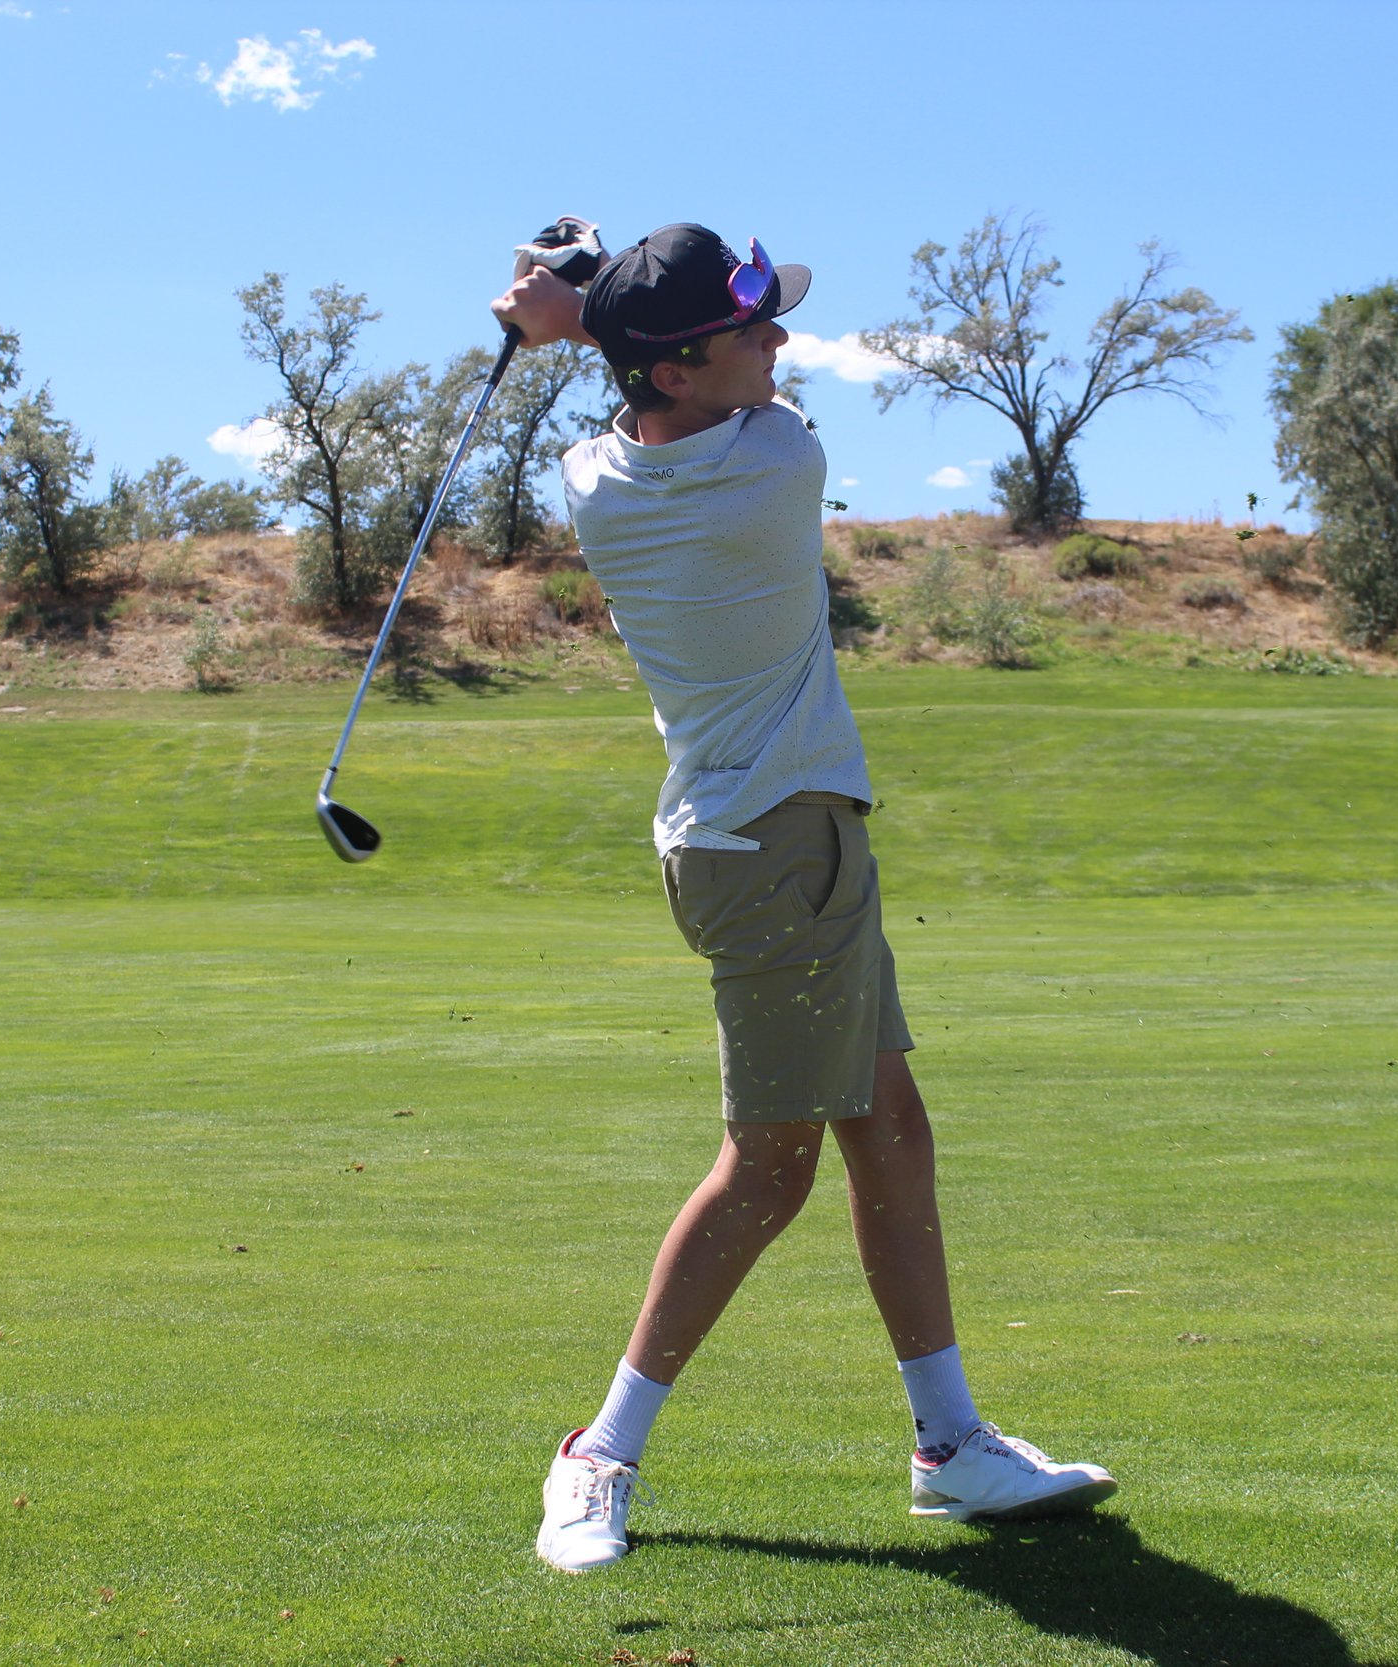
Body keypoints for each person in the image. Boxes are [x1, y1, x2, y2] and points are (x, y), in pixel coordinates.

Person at [492, 223, 1116, 1573]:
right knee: (770, 1167)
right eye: (752, 325)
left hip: (774, 841)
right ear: (679, 367)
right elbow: (655, 352)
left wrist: (574, 311)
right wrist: (582, 302)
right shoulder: (779, 460)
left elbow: (635, 364)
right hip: (772, 851)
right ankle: (599, 1454)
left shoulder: (593, 479)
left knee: (891, 1129)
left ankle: (950, 1445)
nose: (779, 338)